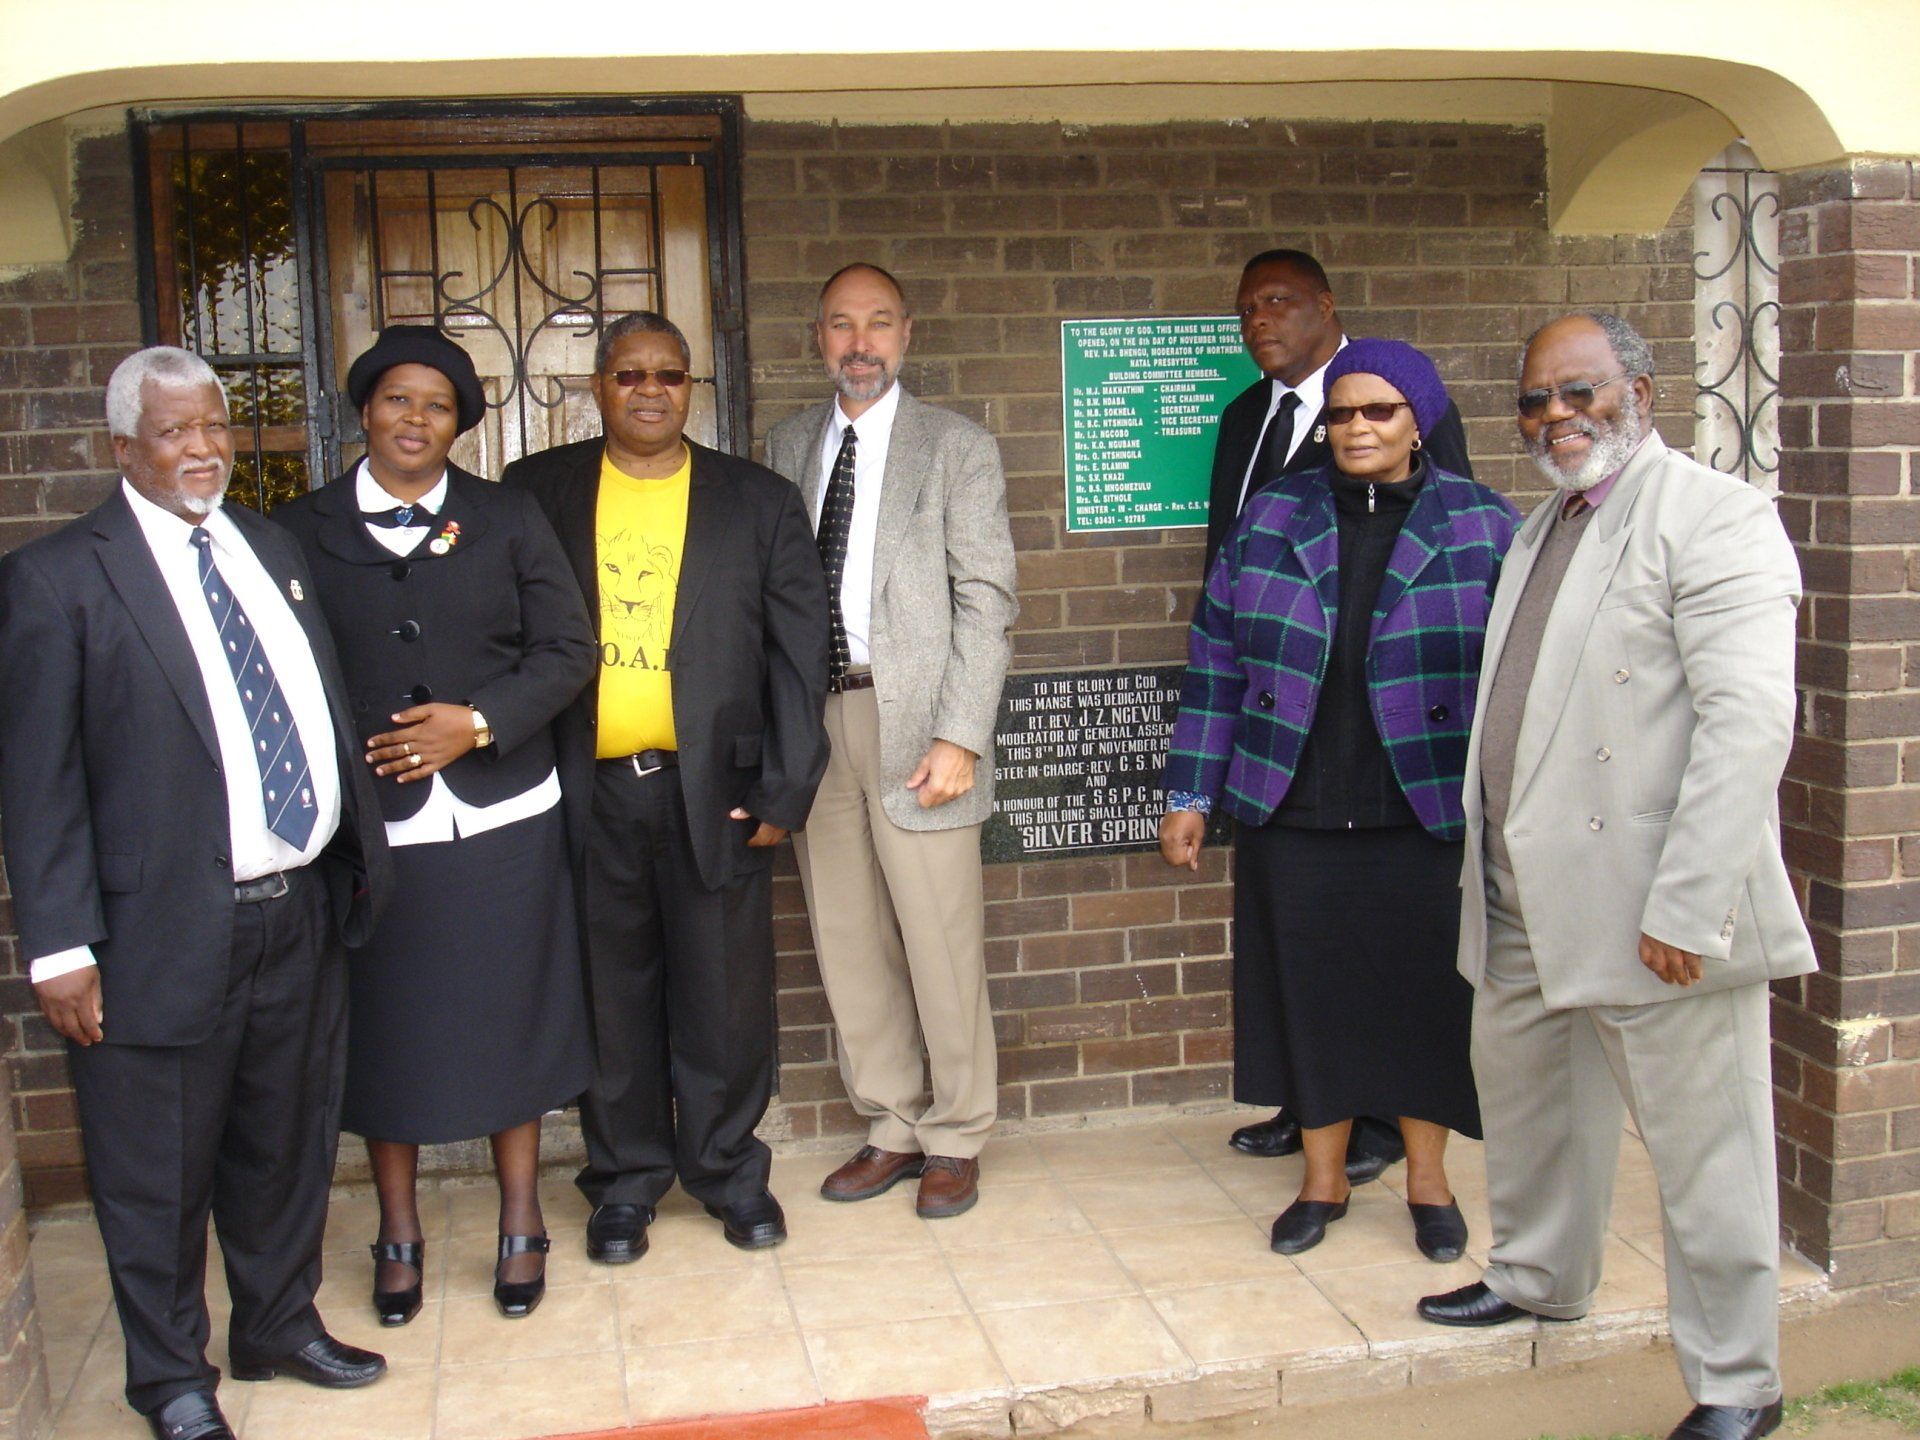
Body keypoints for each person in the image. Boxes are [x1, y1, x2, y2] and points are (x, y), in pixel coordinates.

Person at [1416, 314, 1815, 1440]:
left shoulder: (1715, 517)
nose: (1556, 417)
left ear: (1640, 390)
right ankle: (1541, 1277)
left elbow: (1748, 725)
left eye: (1578, 393)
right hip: (1520, 893)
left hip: (1657, 909)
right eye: (1535, 401)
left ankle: (1741, 1381)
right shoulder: (1543, 524)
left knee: (1707, 1157)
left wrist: (1689, 903)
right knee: (1536, 1109)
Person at [0, 347, 394, 1440]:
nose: (203, 450)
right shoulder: (58, 579)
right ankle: (172, 1377)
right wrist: (59, 946)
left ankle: (277, 1323)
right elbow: (37, 783)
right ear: (122, 447)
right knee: (156, 1168)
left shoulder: (269, 549)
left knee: (287, 1138)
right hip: (153, 931)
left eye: (215, 427)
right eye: (176, 431)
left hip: (297, 908)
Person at [1161, 339, 1519, 1259]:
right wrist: (1192, 790)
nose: (1356, 428)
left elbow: (1522, 678)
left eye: (1379, 411)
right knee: (1307, 999)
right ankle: (1321, 1184)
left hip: (1425, 809)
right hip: (1295, 804)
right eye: (1342, 413)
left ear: (1420, 420)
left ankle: (1430, 1186)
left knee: (1424, 1005)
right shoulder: (1275, 514)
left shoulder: (1482, 525)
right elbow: (1216, 665)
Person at [274, 326, 595, 1323]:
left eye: (439, 406)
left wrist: (481, 721)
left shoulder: (501, 520)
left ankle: (518, 1218)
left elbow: (570, 647)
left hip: (505, 818)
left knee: (512, 1018)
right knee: (392, 1032)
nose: (417, 420)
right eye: (398, 400)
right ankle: (399, 1232)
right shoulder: (301, 529)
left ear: (460, 423)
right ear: (364, 410)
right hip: (379, 830)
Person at [503, 311, 829, 1263]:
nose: (651, 391)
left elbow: (797, 657)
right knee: (611, 997)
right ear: (598, 387)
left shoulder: (757, 500)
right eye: (630, 375)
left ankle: (730, 1172)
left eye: (670, 376)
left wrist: (783, 789)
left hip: (713, 792)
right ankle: (624, 1183)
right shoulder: (538, 492)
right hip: (586, 792)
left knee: (726, 998)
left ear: (693, 388)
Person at [1203, 249, 1473, 1175]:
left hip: (1410, 765)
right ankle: (1315, 1122)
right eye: (1245, 309)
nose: (1258, 322)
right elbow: (1222, 601)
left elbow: (1461, 593)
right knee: (1304, 972)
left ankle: (1392, 1132)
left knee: (1411, 978)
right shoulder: (1248, 424)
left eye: (1276, 303)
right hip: (1295, 754)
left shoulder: (1474, 510)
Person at [765, 263, 1018, 1219]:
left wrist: (961, 735)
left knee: (941, 936)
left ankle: (957, 1134)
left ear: (906, 334)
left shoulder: (955, 448)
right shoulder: (788, 446)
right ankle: (891, 1123)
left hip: (917, 725)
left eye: (877, 324)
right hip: (815, 723)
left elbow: (986, 600)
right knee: (846, 934)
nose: (859, 342)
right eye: (841, 325)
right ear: (818, 337)